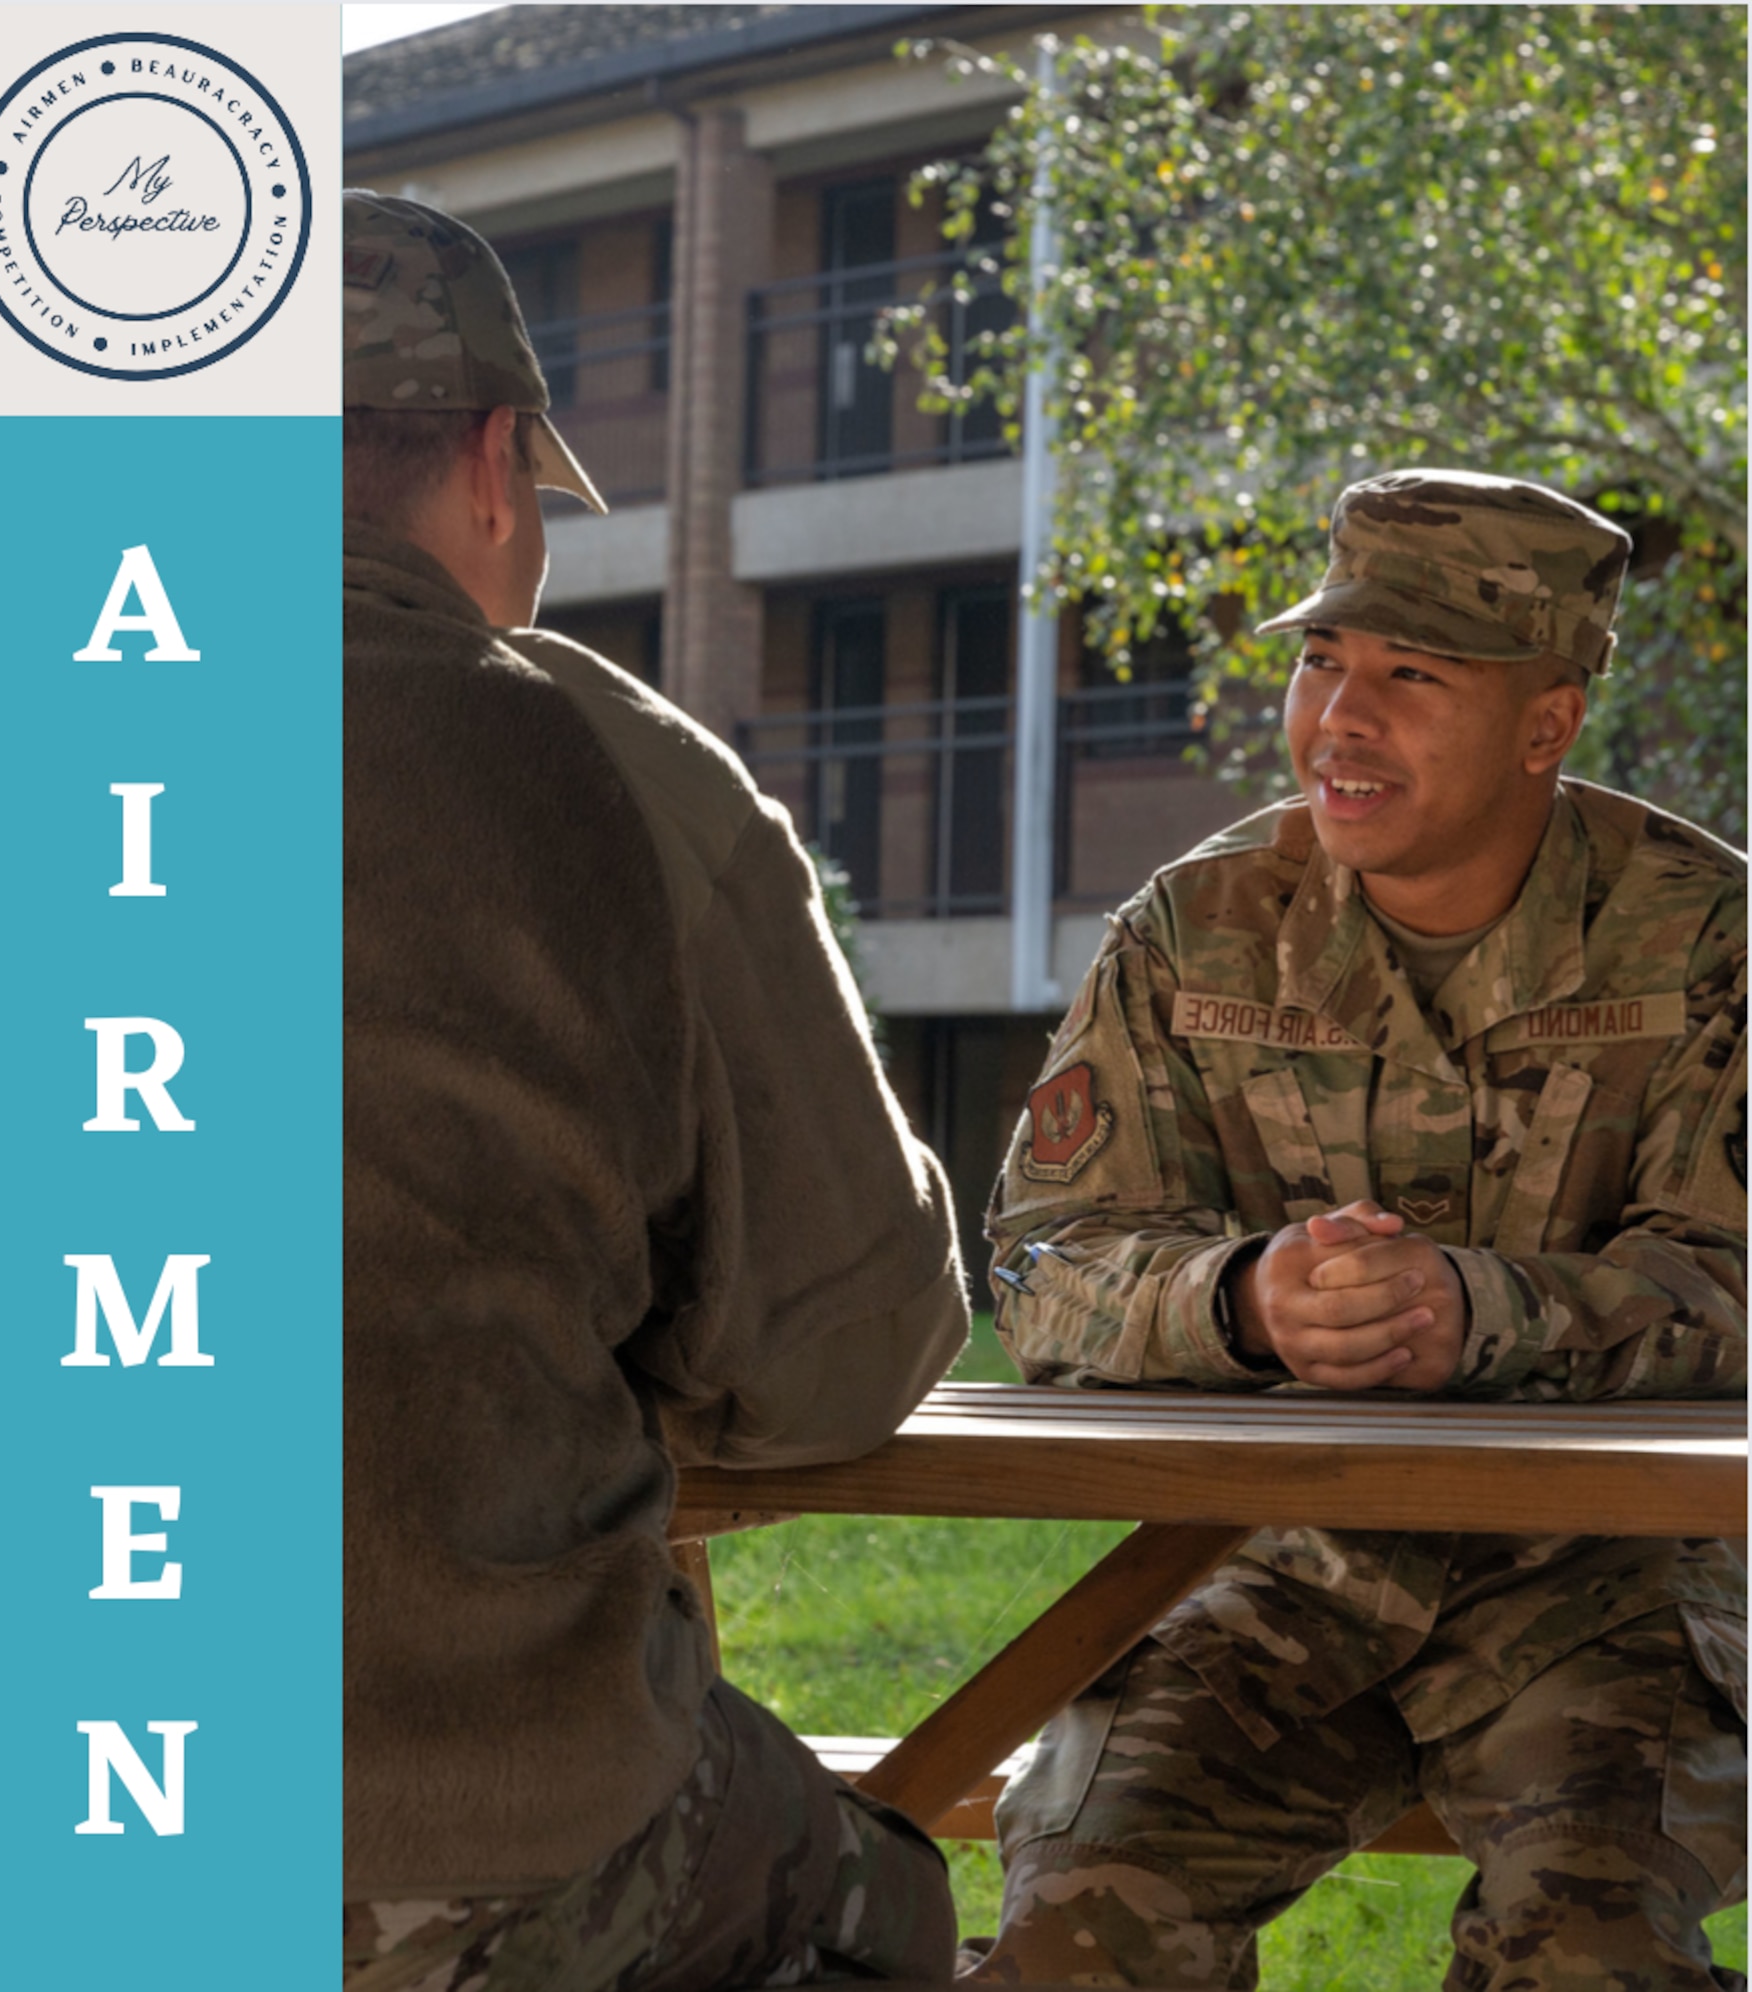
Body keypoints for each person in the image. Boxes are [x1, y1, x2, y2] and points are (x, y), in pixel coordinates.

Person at [975, 471, 1746, 1989]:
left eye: (1412, 676)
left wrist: (1483, 1313)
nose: (1341, 714)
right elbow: (1039, 1266)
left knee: (1583, 1956)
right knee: (1073, 1942)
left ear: (1547, 723)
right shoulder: (1193, 931)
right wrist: (1241, 1299)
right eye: (1323, 660)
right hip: (1284, 1569)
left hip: (1614, 1587)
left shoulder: (1706, 939)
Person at [340, 191, 968, 1990]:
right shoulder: (599, 754)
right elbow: (848, 1350)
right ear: (488, 465)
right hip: (411, 1832)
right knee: (879, 1913)